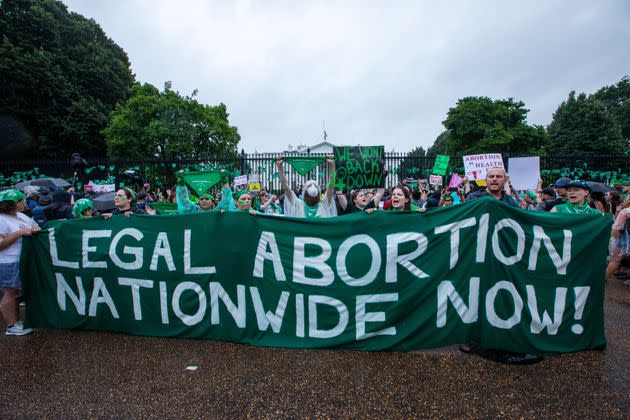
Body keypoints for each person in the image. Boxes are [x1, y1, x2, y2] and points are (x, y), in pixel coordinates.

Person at [0, 190, 39, 335]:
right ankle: (12, 325)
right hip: (8, 261)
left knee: (18, 293)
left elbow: (36, 229)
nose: (24, 203)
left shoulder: (22, 216)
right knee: (11, 292)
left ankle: (17, 321)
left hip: (24, 259)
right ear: (12, 204)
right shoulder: (1, 219)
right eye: (21, 201)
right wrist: (19, 233)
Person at [275, 154, 337, 218]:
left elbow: (285, 187)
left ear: (304, 194)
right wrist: (332, 165)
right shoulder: (323, 204)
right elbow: (331, 187)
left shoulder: (298, 204)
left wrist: (279, 167)